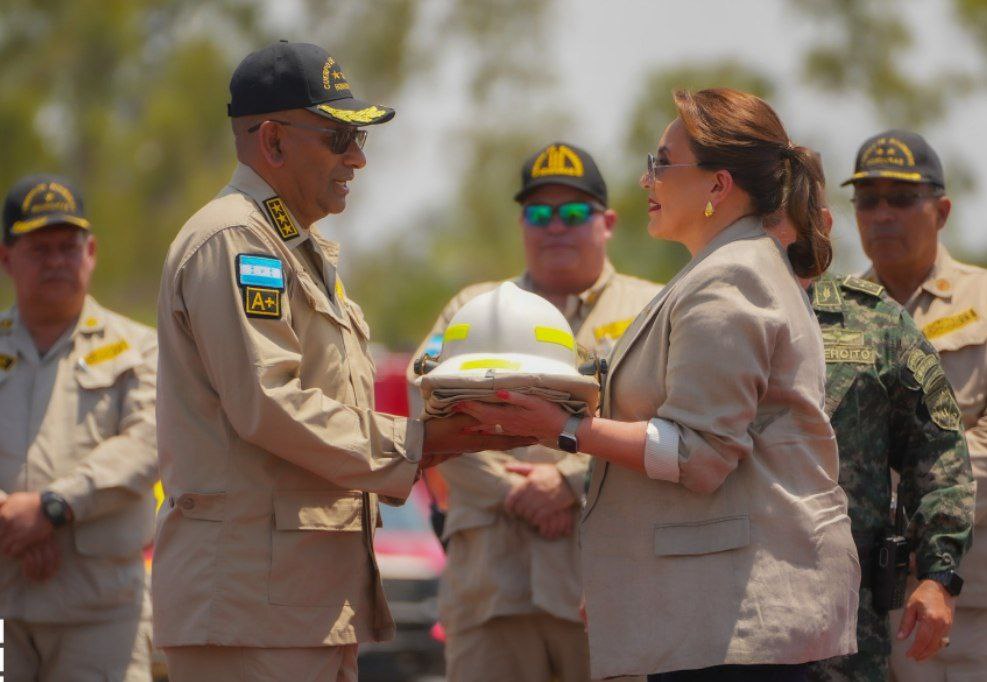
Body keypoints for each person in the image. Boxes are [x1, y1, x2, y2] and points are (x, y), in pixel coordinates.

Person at [152, 41, 529, 682]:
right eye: (336, 138)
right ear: (272, 142)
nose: (357, 158)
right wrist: (414, 441)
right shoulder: (237, 242)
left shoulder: (293, 248)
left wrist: (437, 438)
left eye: (359, 140)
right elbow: (268, 403)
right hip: (252, 608)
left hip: (292, 605)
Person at [454, 88, 860, 680]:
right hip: (715, 615)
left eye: (661, 163)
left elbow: (699, 454)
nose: (647, 180)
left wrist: (564, 430)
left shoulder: (730, 279)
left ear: (718, 187)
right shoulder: (725, 269)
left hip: (738, 625)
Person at [407, 141, 661, 682]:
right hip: (491, 590)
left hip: (607, 591)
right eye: (539, 213)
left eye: (574, 213)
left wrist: (570, 482)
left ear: (608, 222)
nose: (555, 227)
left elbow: (669, 428)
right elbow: (423, 406)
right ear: (522, 222)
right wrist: (514, 492)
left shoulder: (651, 309)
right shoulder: (474, 310)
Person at [763, 157, 975, 682]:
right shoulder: (701, 320)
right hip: (724, 615)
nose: (771, 228)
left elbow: (939, 455)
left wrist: (937, 576)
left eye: (788, 210)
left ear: (823, 221)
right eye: (762, 212)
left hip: (845, 628)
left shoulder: (877, 323)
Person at [843, 130, 987, 682]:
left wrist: (904, 504)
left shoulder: (983, 303)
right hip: (855, 600)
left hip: (964, 600)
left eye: (901, 199)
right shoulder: (833, 314)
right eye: (867, 199)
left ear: (942, 210)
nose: (882, 214)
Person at [0, 174, 158, 681]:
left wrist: (52, 508)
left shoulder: (141, 349)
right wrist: (10, 519)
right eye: (39, 248)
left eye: (68, 247)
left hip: (101, 616)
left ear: (91, 252)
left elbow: (148, 444)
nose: (56, 261)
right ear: (6, 258)